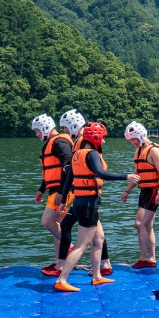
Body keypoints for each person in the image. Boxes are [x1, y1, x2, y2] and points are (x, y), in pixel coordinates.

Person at [53, 122, 137, 292]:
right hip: (88, 205)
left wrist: (63, 201)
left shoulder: (77, 154)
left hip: (80, 202)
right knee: (82, 245)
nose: (104, 142)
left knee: (98, 240)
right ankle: (62, 279)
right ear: (96, 138)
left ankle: (97, 276)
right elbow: (101, 173)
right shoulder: (91, 154)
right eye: (103, 138)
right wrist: (126, 177)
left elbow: (69, 177)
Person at [55, 109, 114, 277]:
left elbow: (77, 172)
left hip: (84, 195)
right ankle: (103, 267)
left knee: (83, 236)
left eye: (66, 129)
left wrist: (64, 196)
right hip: (86, 194)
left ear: (73, 125)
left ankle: (62, 268)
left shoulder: (83, 143)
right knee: (97, 235)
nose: (66, 133)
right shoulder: (86, 143)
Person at [31, 113, 73, 277]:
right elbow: (51, 171)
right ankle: (59, 262)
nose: (37, 135)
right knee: (57, 225)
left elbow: (68, 167)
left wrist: (62, 191)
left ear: (45, 128)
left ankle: (68, 246)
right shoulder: (51, 143)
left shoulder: (60, 143)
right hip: (54, 189)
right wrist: (42, 189)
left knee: (48, 221)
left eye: (37, 131)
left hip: (62, 190)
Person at [121, 121, 159, 269]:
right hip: (144, 190)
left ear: (141, 135)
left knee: (139, 223)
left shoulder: (154, 150)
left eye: (134, 139)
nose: (133, 142)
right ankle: (151, 259)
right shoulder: (140, 151)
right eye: (130, 140)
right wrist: (127, 190)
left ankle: (142, 258)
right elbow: (137, 175)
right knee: (147, 226)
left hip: (153, 190)